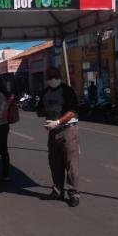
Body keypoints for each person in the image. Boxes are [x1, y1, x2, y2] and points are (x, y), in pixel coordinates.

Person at [38, 67, 80, 207]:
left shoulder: (67, 90)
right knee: (54, 162)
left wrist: (57, 122)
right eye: (49, 76)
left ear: (59, 76)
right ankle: (58, 190)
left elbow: (72, 111)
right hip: (52, 132)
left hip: (68, 130)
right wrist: (47, 112)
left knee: (71, 163)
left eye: (55, 76)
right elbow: (39, 110)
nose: (52, 79)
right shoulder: (45, 92)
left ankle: (74, 193)